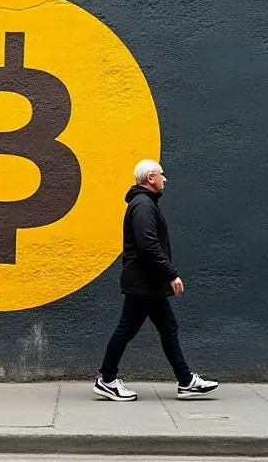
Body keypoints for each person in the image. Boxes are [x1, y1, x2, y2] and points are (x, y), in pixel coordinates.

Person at [93, 159, 219, 401]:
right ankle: (107, 379)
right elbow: (148, 243)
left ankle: (185, 381)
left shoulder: (145, 203)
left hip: (148, 282)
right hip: (144, 283)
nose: (165, 179)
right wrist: (171, 274)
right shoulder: (143, 205)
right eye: (162, 175)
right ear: (150, 177)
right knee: (127, 329)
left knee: (167, 329)